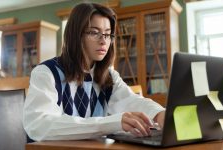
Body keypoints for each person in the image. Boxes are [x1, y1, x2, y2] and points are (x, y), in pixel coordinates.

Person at [23, 2, 165, 141]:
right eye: (94, 32)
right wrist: (109, 123)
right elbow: (39, 126)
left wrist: (160, 114)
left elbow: (132, 100)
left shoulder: (108, 76)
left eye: (108, 34)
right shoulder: (46, 73)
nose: (103, 41)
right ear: (76, 35)